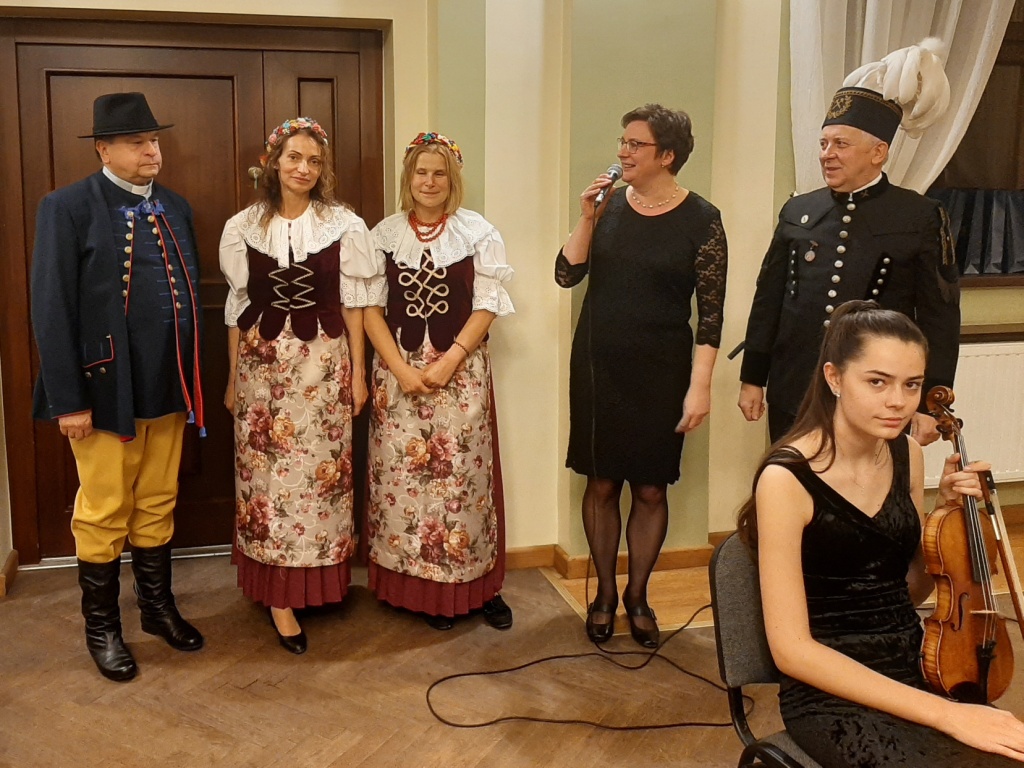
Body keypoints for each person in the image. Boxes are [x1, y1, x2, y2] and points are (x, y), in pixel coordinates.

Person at [736, 300, 1024, 767]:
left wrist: (944, 517)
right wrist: (947, 716)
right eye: (877, 382)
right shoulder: (786, 479)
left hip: (920, 668)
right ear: (834, 378)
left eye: (911, 384)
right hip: (832, 693)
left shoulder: (907, 454)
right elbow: (792, 651)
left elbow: (905, 592)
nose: (898, 401)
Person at [30, 92, 205, 682]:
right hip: (105, 392)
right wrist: (68, 400)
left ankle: (157, 609)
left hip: (169, 386)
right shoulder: (67, 207)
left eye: (154, 140)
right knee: (104, 509)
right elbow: (51, 307)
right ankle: (102, 629)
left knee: (157, 500)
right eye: (137, 142)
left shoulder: (175, 206)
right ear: (103, 149)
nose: (152, 151)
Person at [556, 104, 727, 648]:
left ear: (667, 155)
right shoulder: (607, 205)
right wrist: (587, 216)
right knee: (602, 481)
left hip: (663, 369)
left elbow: (712, 314)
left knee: (651, 487)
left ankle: (638, 595)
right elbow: (566, 274)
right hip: (598, 363)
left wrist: (700, 385)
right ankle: (605, 595)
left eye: (636, 144)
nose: (623, 152)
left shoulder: (702, 218)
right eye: (623, 142)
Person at [739, 41, 960, 444]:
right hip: (795, 385)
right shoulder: (799, 210)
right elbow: (769, 299)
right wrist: (753, 377)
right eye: (824, 144)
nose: (827, 154)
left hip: (877, 396)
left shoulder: (919, 216)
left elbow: (939, 317)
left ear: (878, 152)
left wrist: (931, 402)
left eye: (841, 144)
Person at [219, 117, 378, 654]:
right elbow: (237, 307)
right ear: (273, 162)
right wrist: (232, 378)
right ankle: (279, 597)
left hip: (323, 367)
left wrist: (358, 374)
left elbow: (355, 305)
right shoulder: (243, 226)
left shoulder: (344, 224)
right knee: (266, 482)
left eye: (313, 160)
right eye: (294, 158)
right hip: (261, 369)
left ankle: (318, 582)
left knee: (320, 479)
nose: (303, 169)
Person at [364, 132, 515, 632]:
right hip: (398, 372)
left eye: (439, 173)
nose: (429, 182)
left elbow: (488, 303)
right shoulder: (383, 234)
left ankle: (476, 588)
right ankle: (417, 590)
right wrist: (401, 369)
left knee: (462, 483)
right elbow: (368, 309)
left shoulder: (477, 232)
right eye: (421, 172)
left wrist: (451, 359)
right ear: (408, 178)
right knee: (403, 485)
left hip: (460, 371)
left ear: (453, 180)